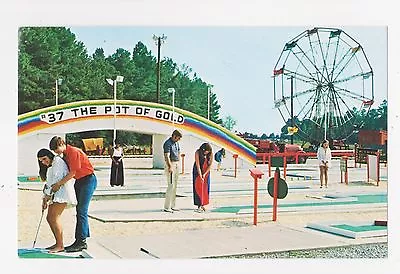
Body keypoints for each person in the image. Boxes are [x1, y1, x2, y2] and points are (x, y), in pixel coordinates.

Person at [49, 136, 98, 252]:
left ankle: (81, 241)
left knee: (82, 211)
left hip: (88, 180)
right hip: (80, 181)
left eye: (56, 149)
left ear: (62, 144)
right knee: (79, 211)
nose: (56, 152)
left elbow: (73, 173)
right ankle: (82, 238)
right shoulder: (65, 155)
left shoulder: (73, 152)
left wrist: (59, 184)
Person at [37, 148, 77, 253]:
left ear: (49, 155)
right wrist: (45, 198)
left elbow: (56, 181)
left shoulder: (57, 161)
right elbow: (49, 183)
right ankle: (58, 242)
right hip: (56, 194)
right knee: (50, 218)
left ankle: (60, 245)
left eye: (45, 159)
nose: (44, 162)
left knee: (54, 217)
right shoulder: (51, 166)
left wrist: (48, 196)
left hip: (62, 193)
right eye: (41, 161)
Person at [163, 130, 182, 213]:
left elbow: (178, 152)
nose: (178, 140)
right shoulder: (167, 143)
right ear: (174, 136)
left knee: (175, 186)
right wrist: (170, 166)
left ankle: (173, 205)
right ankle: (167, 207)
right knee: (171, 185)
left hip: (176, 163)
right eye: (178, 138)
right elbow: (166, 156)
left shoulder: (177, 143)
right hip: (171, 164)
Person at [193, 143, 213, 212]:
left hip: (206, 172)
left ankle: (203, 204)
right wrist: (200, 174)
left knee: (205, 188)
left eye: (208, 151)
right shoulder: (198, 152)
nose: (206, 152)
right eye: (205, 151)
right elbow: (197, 164)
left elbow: (210, 165)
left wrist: (204, 174)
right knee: (198, 187)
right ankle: (199, 204)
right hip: (197, 171)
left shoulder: (210, 154)